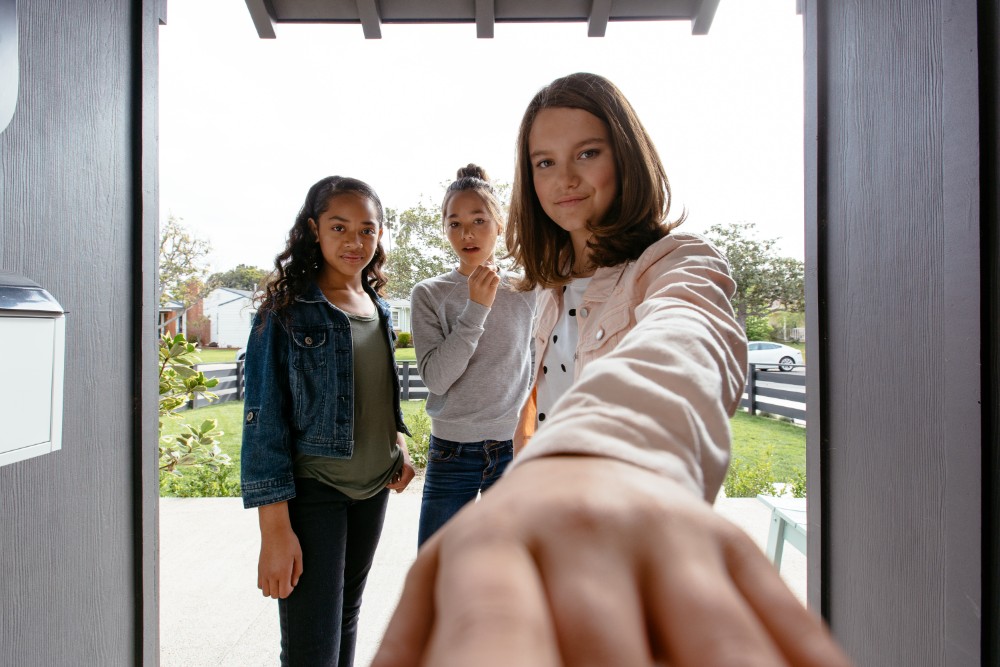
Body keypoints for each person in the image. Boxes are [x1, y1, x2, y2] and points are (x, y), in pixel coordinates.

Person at [371, 73, 852, 666]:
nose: (564, 178)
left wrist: (595, 455)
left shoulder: (677, 260)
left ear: (627, 155)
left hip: (641, 543)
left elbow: (688, 338)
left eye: (587, 153)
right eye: (544, 162)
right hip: (549, 541)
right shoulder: (541, 289)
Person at [240, 175, 416, 667]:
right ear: (314, 229)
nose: (354, 241)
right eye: (340, 227)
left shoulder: (379, 309)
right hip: (314, 491)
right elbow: (262, 420)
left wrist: (397, 442)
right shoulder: (286, 313)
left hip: (372, 491)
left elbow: (374, 391)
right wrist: (274, 530)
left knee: (345, 618)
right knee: (311, 647)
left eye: (367, 229)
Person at [410, 164, 535, 546]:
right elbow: (436, 378)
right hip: (452, 455)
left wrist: (522, 431)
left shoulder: (528, 288)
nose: (466, 233)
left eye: (479, 220)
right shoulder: (429, 294)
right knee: (437, 579)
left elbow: (530, 363)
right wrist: (477, 308)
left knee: (505, 578)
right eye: (454, 223)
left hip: (510, 453)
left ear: (499, 224)